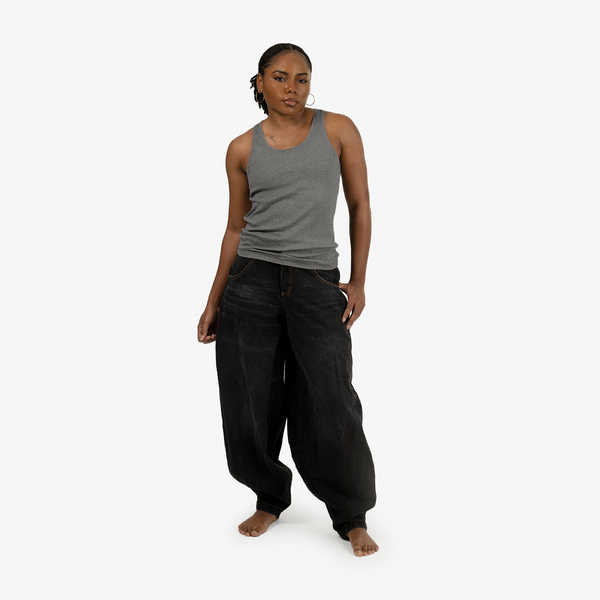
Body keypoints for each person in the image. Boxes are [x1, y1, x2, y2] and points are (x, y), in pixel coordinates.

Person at [197, 43, 378, 557]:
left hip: (316, 282)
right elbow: (235, 228)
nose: (292, 88)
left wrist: (358, 280)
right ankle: (269, 497)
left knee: (331, 398)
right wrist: (213, 301)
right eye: (280, 77)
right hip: (250, 281)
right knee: (248, 397)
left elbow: (361, 205)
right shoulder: (241, 148)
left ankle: (351, 514)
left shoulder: (337, 130)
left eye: (302, 78)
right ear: (259, 83)